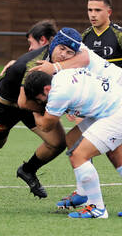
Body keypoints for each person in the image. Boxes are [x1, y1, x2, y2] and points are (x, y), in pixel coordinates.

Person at [0, 28, 86, 210]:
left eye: (70, 52)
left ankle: (27, 170)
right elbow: (23, 102)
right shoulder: (33, 66)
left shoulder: (68, 60)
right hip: (6, 105)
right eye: (61, 49)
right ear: (52, 45)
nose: (65, 55)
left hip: (34, 100)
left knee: (57, 142)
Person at [24, 69, 122, 218]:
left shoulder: (58, 94)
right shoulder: (60, 76)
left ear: (46, 89)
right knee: (72, 140)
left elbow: (46, 126)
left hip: (114, 112)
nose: (42, 103)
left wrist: (35, 111)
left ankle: (97, 209)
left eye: (41, 99)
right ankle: (84, 194)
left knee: (79, 155)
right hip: (109, 106)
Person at [82, 0, 122, 68]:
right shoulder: (84, 36)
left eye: (97, 10)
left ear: (109, 12)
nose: (93, 14)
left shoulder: (119, 34)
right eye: (90, 10)